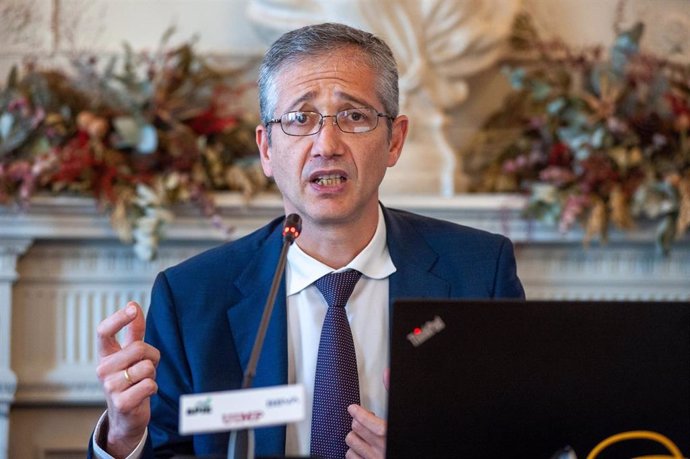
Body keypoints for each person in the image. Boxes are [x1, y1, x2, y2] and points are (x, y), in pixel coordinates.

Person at [89, 22, 525, 459]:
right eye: (300, 118)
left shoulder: (478, 274)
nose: (327, 144)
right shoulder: (192, 298)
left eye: (355, 116)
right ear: (266, 149)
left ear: (395, 141)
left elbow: (521, 443)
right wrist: (125, 437)